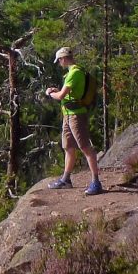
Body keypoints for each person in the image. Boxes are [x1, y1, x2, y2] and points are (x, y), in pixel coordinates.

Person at [45, 46, 103, 195]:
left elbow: (61, 96)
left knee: (85, 147)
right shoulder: (74, 72)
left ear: (63, 59)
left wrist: (50, 93)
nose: (59, 63)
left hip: (76, 115)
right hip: (69, 114)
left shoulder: (74, 73)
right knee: (69, 147)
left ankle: (96, 182)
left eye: (59, 60)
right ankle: (66, 179)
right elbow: (68, 94)